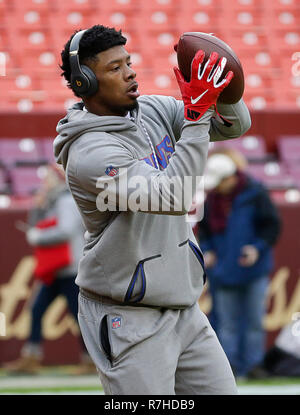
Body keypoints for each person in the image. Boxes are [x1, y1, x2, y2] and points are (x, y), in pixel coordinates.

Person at [53, 24, 251, 395]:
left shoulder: (152, 110)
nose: (129, 72)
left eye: (128, 62)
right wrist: (195, 116)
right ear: (84, 83)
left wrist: (218, 90)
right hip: (127, 317)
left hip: (184, 309)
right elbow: (174, 196)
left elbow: (235, 125)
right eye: (114, 68)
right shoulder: (91, 154)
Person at [5, 164, 95, 375]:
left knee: (78, 315)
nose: (44, 183)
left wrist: (38, 237)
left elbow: (65, 230)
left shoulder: (65, 200)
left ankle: (91, 360)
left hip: (70, 267)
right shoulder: (52, 201)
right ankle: (32, 356)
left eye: (48, 179)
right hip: (56, 269)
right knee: (37, 310)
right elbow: (41, 222)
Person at [198, 151, 281, 378]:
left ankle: (253, 365)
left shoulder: (256, 194)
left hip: (254, 270)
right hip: (223, 270)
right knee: (227, 323)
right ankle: (228, 367)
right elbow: (203, 232)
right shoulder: (212, 200)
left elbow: (272, 226)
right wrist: (207, 251)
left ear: (231, 177)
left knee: (254, 320)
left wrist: (257, 248)